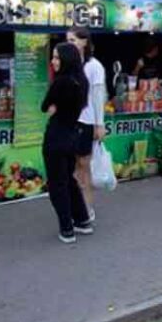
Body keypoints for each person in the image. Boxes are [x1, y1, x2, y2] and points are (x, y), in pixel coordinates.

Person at [41, 43, 92, 244]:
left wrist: (53, 105)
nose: (53, 62)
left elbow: (44, 105)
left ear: (66, 60)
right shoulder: (82, 81)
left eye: (56, 58)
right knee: (69, 179)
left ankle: (66, 228)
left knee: (57, 183)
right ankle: (82, 219)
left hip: (55, 137)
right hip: (72, 135)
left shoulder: (61, 82)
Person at [67, 27, 106, 222]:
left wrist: (100, 124)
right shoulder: (70, 65)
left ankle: (87, 208)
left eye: (73, 40)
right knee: (73, 167)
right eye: (68, 40)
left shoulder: (94, 66)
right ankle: (76, 208)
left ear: (84, 42)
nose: (70, 44)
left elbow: (99, 96)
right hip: (70, 120)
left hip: (87, 120)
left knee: (84, 166)